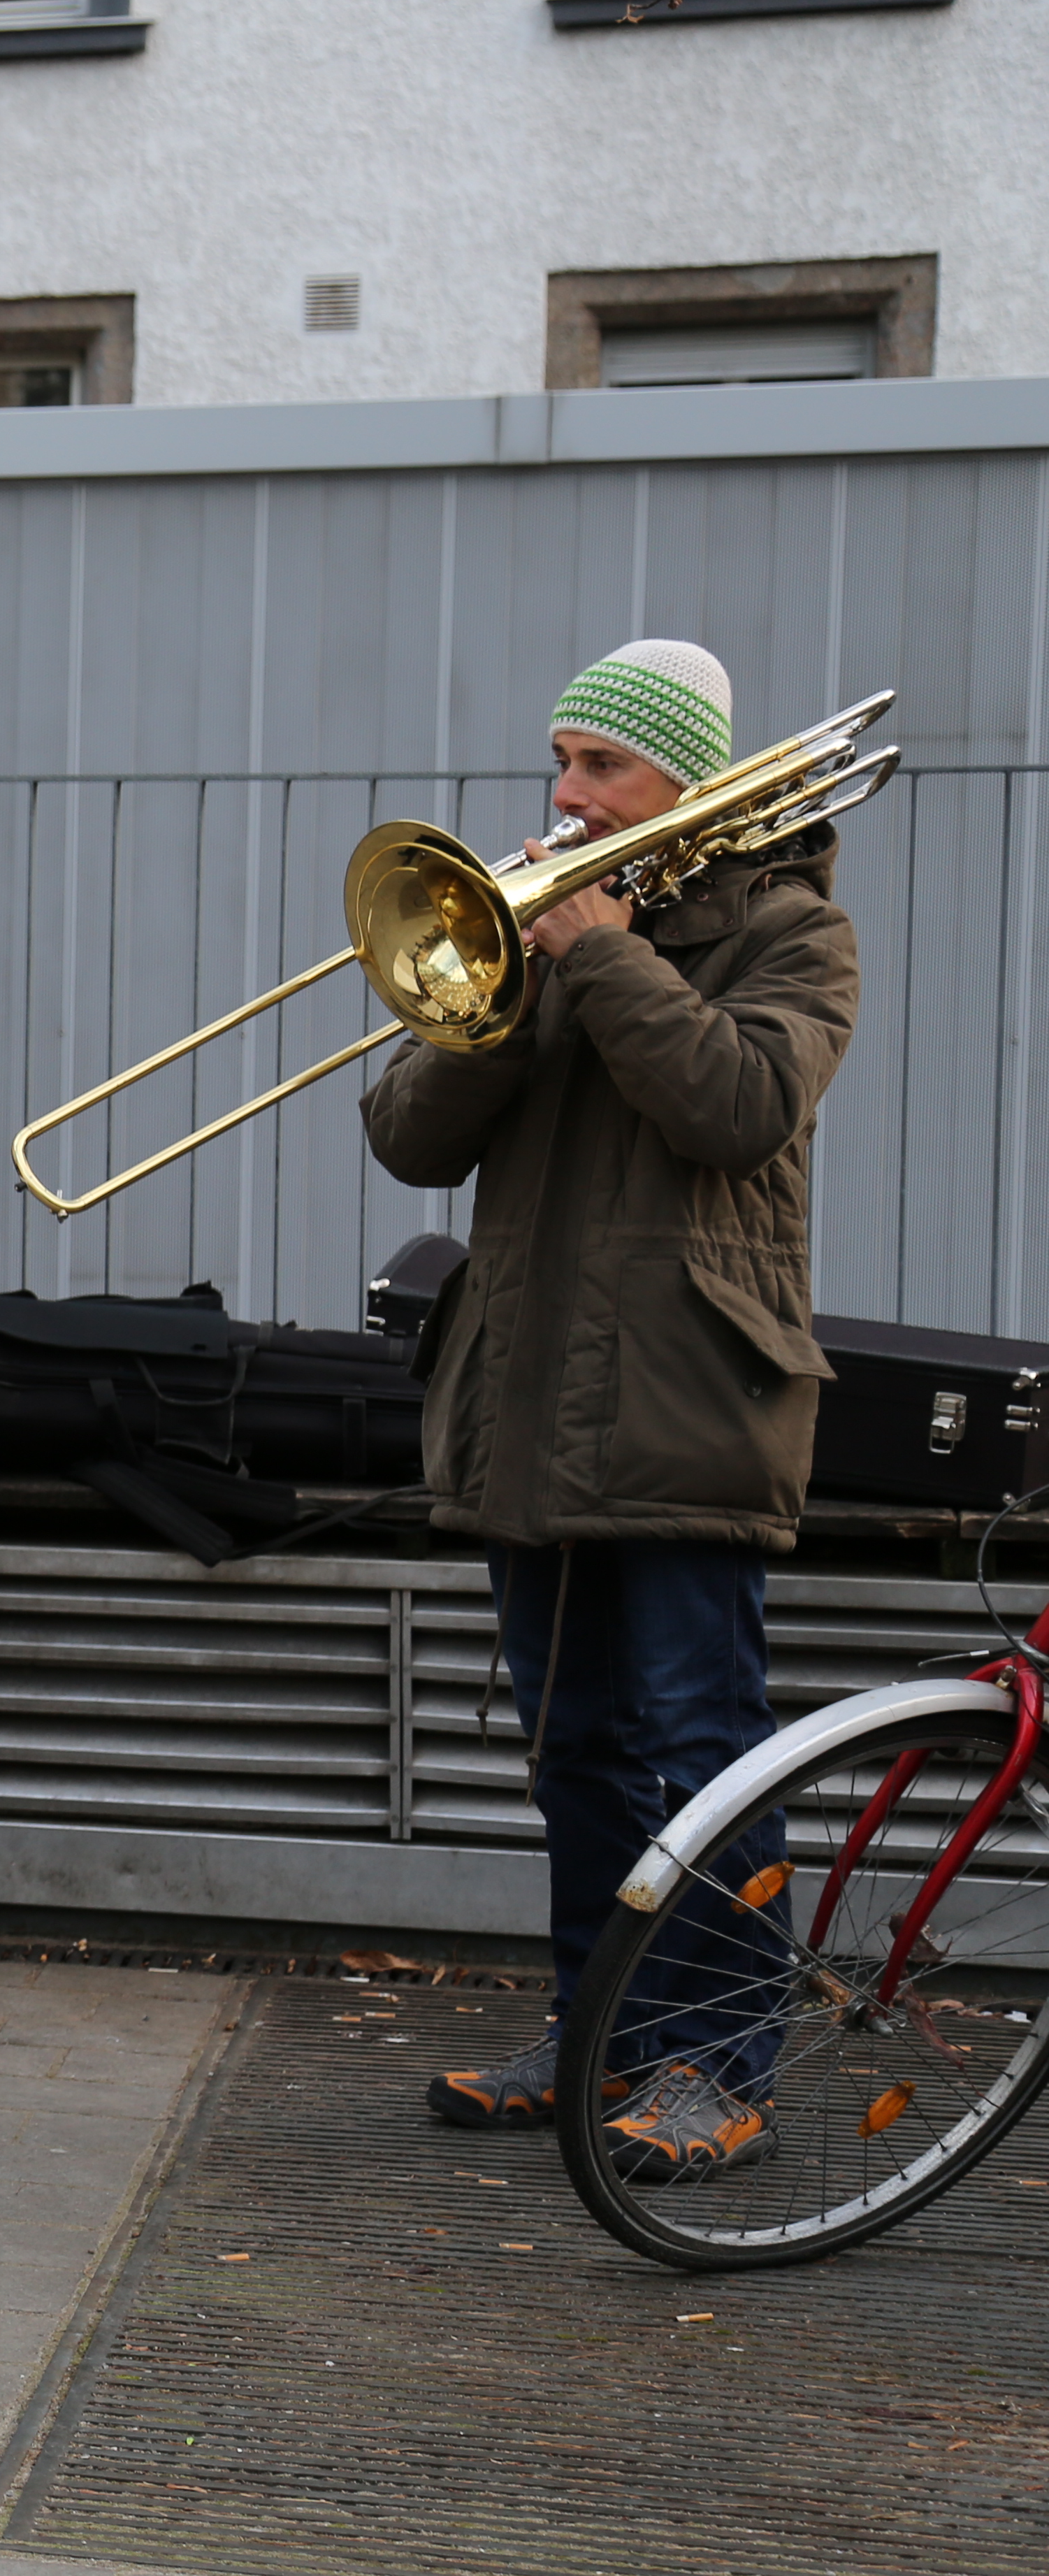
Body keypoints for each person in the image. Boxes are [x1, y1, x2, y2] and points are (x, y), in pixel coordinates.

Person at [368, 639, 853, 2182]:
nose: (563, 797)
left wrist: (600, 955)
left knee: (703, 1745)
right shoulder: (545, 942)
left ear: (686, 786)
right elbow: (405, 1138)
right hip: (527, 1399)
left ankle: (720, 2064)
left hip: (687, 1401)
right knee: (574, 1749)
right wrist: (503, 988)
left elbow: (737, 1105)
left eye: (601, 769)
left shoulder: (795, 930)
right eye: (561, 762)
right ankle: (600, 2040)